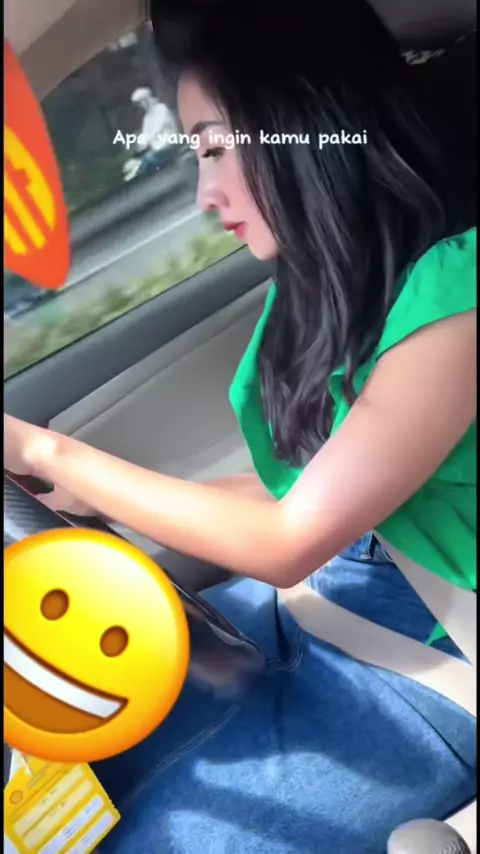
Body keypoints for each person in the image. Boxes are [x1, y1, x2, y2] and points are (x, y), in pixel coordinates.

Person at [4, 1, 476, 851]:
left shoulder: (460, 300)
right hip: (321, 606)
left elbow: (291, 534)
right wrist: (92, 499)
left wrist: (44, 448)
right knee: (61, 779)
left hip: (436, 667)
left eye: (216, 148)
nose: (203, 194)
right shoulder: (326, 289)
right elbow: (293, 490)